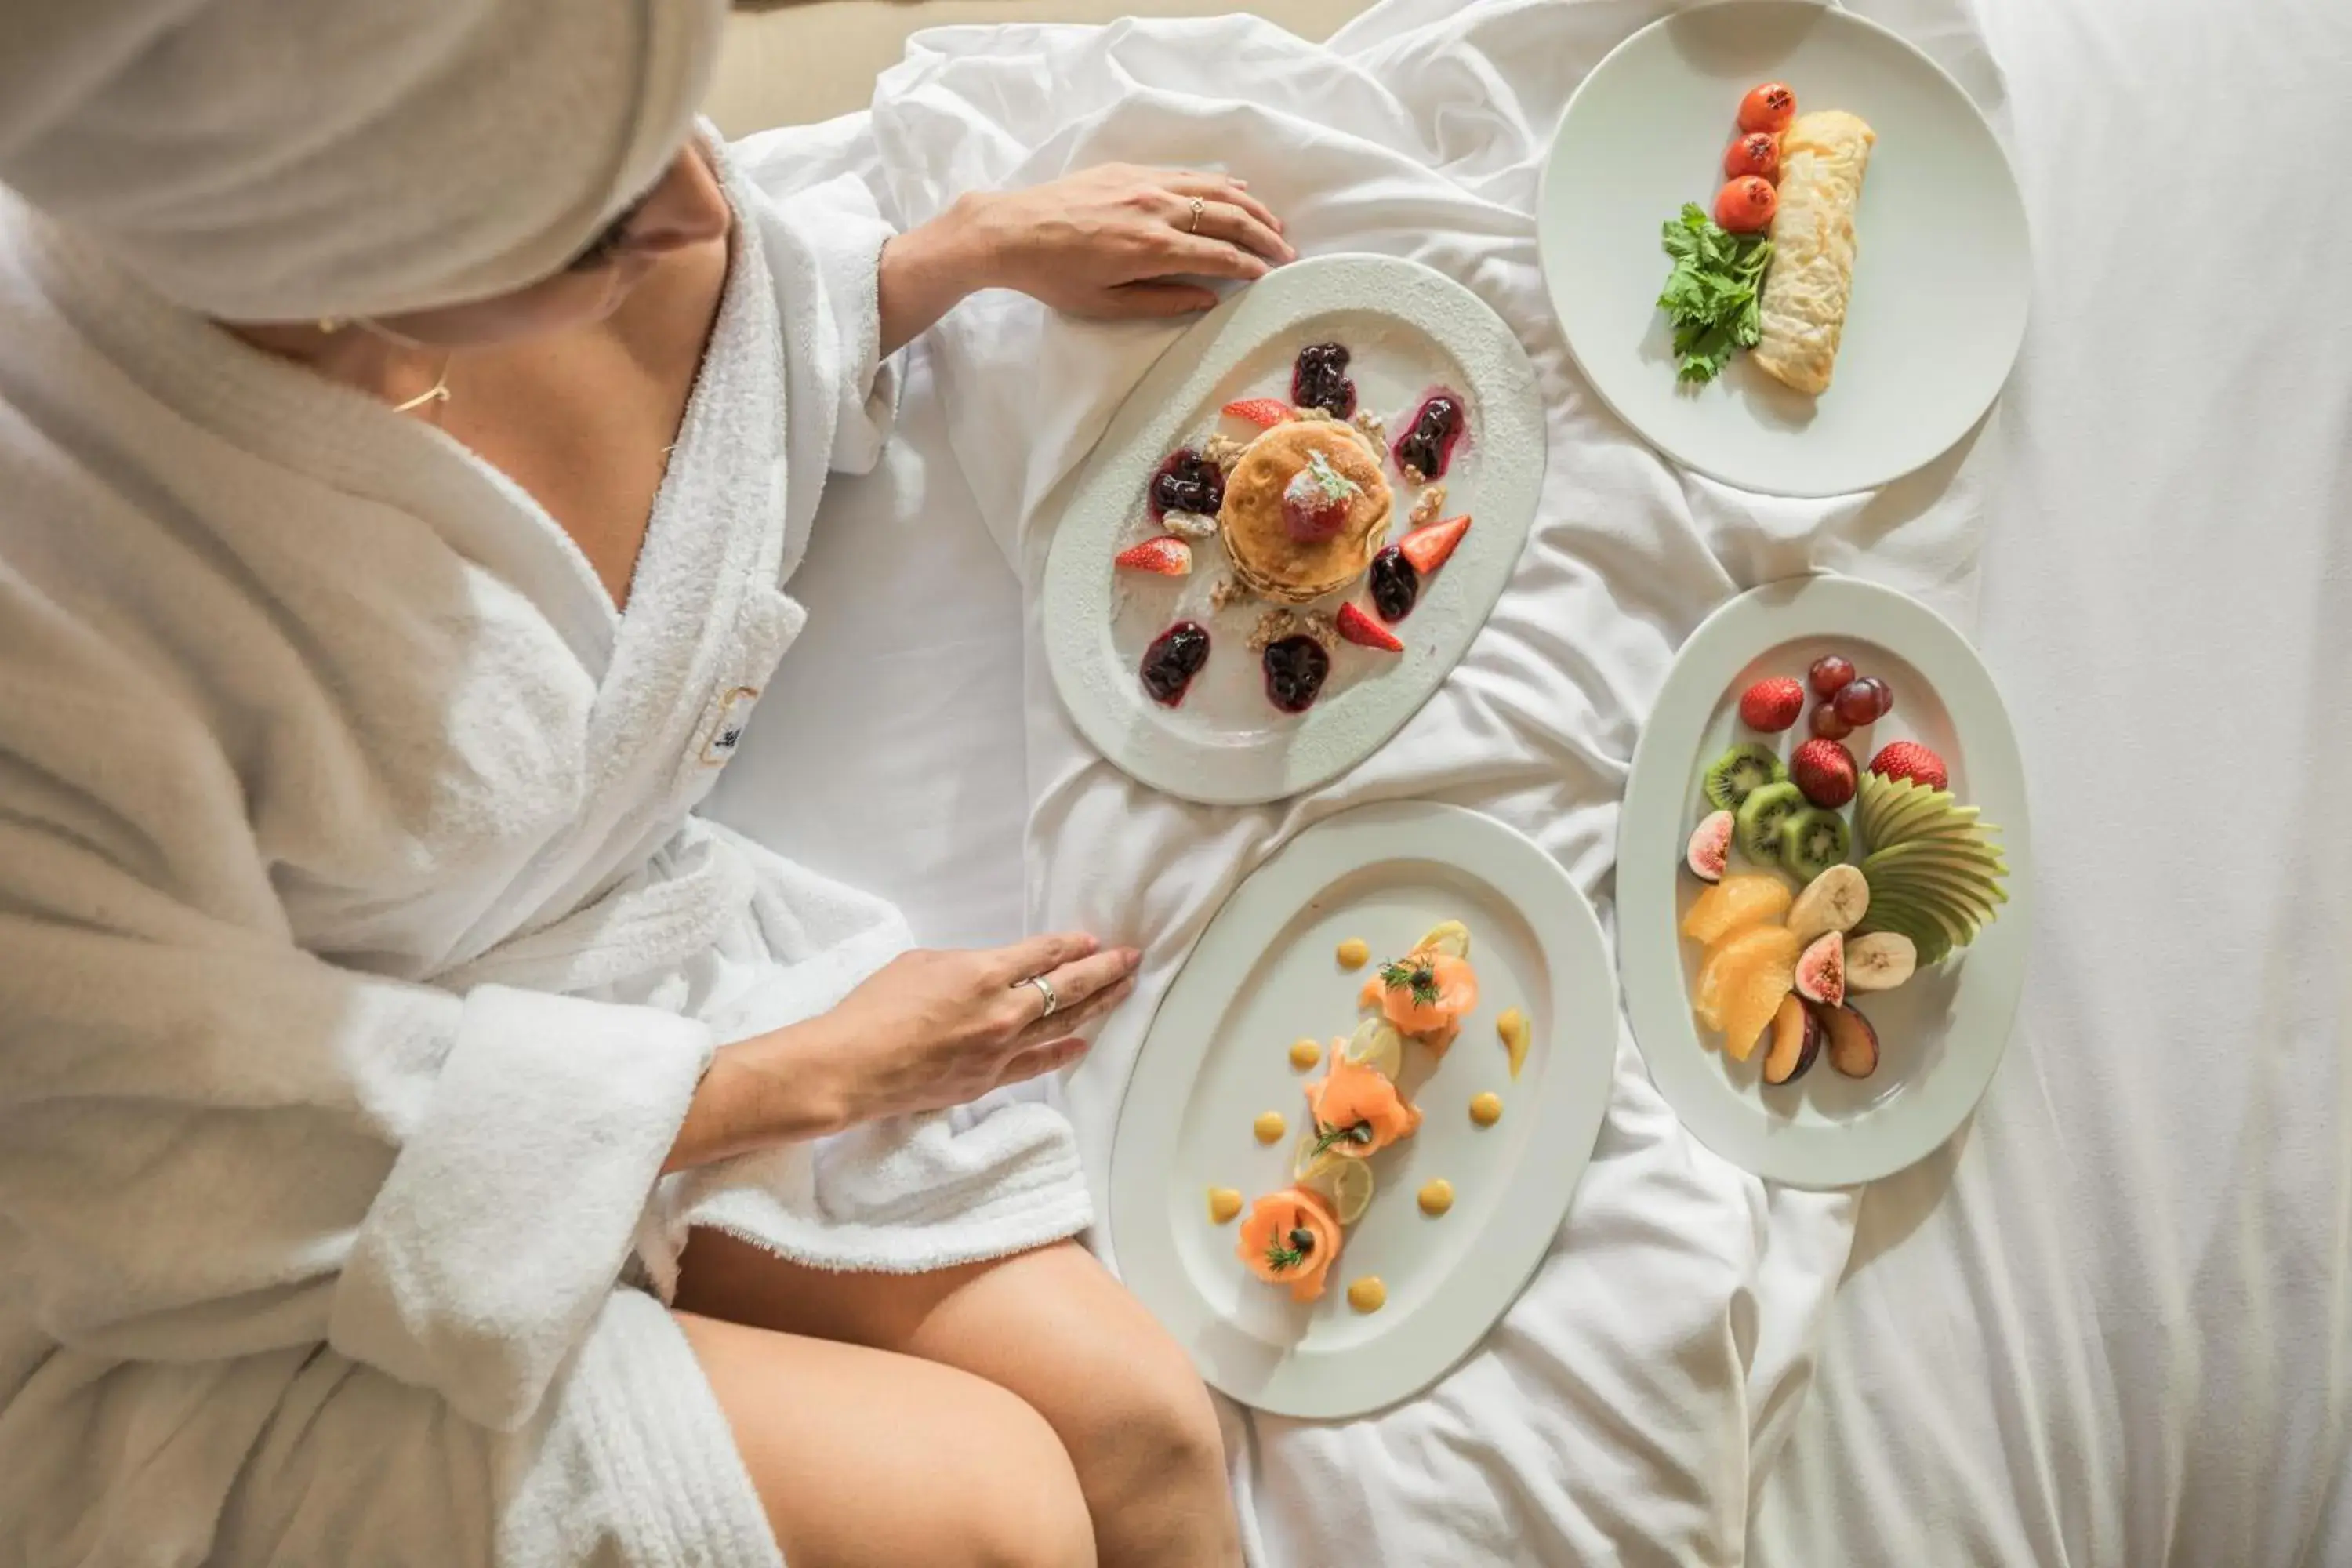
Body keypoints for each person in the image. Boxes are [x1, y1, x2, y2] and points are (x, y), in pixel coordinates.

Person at [0, 2, 1293, 1563]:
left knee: (1144, 1430)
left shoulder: (505, 169)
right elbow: (147, 1153)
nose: (700, 202)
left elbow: (708, 350)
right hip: (212, 1278)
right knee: (998, 1511)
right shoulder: (57, 613)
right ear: (328, 247)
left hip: (594, 1033)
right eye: (596, 225)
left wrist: (940, 260)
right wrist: (797, 1077)